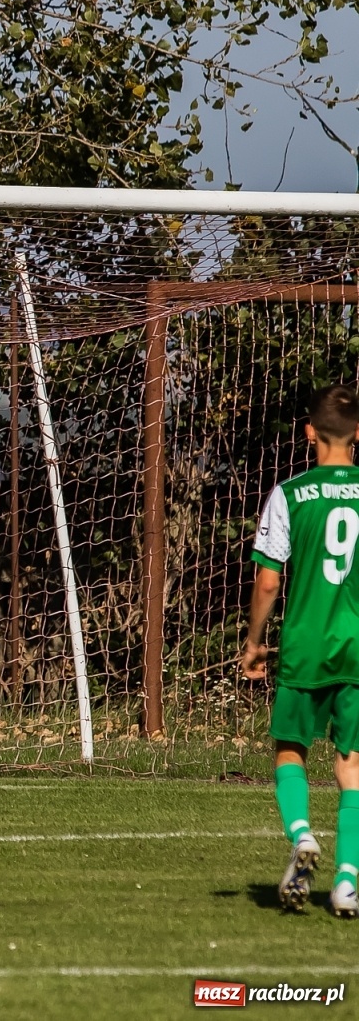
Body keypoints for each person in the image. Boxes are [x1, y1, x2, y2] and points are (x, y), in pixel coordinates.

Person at [243, 383, 359, 916]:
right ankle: (347, 880)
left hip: (305, 644)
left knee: (290, 749)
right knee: (352, 765)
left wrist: (254, 642)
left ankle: (302, 833)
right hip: (357, 647)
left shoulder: (290, 494)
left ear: (309, 432)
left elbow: (269, 581)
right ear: (357, 434)